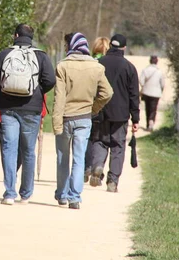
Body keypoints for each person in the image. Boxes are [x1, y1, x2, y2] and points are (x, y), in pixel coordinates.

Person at [0, 23, 55, 205]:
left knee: (9, 148)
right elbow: (50, 80)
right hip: (31, 108)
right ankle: (25, 194)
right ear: (31, 37)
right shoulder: (40, 55)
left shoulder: (5, 54)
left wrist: (6, 90)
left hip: (8, 108)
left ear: (15, 35)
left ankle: (9, 193)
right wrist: (37, 90)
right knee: (28, 151)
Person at [53, 32, 112, 209]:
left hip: (65, 118)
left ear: (71, 46)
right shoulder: (96, 67)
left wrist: (56, 123)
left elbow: (59, 98)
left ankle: (62, 195)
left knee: (63, 158)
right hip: (84, 118)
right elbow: (107, 93)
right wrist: (93, 108)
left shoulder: (62, 66)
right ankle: (74, 197)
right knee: (79, 159)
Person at [89, 33, 140, 193]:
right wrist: (136, 118)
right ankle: (113, 181)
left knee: (99, 141)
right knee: (118, 146)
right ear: (124, 47)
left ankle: (97, 165)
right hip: (121, 114)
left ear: (110, 45)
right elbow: (134, 95)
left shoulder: (99, 63)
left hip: (101, 111)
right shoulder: (129, 67)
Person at [0, 90, 47, 172]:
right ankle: (12, 174)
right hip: (28, 113)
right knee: (22, 148)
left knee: (7, 148)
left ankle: (10, 176)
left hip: (3, 113)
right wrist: (41, 111)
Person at [84, 36, 110, 182]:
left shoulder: (90, 62)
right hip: (104, 107)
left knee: (87, 138)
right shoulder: (107, 64)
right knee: (101, 140)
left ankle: (86, 167)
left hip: (88, 106)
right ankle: (97, 165)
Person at [139, 55, 165, 130]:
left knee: (148, 108)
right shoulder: (159, 71)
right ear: (157, 62)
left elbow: (141, 81)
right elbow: (162, 84)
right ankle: (151, 122)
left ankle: (148, 124)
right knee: (154, 109)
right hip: (156, 93)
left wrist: (144, 86)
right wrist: (161, 90)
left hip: (146, 92)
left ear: (150, 61)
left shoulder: (145, 70)